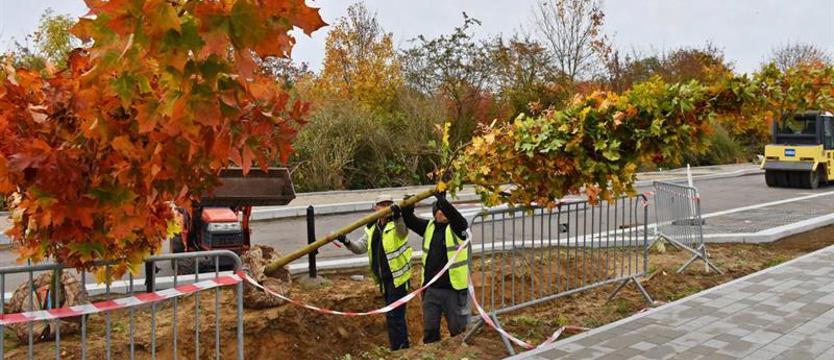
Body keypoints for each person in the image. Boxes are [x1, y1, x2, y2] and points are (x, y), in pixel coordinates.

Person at [336, 194, 412, 350]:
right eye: (381, 204)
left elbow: (402, 233)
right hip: (384, 280)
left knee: (395, 316)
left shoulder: (397, 224)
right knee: (391, 316)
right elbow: (360, 248)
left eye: (388, 204)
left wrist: (398, 217)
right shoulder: (372, 228)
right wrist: (347, 241)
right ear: (375, 207)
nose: (385, 208)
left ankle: (401, 349)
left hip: (398, 278)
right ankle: (398, 348)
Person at [401, 191, 470, 344]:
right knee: (430, 331)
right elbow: (410, 220)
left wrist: (441, 199)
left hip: (452, 290)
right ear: (434, 214)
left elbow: (458, 219)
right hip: (431, 290)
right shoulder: (429, 227)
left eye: (444, 210)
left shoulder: (457, 229)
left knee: (458, 330)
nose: (442, 213)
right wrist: (407, 206)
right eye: (439, 210)